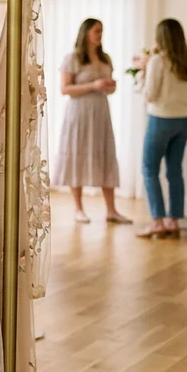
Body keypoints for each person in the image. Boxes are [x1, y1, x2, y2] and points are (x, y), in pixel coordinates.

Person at [51, 18, 130, 223]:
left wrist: (109, 86)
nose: (100, 34)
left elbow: (108, 88)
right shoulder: (73, 58)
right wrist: (94, 85)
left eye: (102, 31)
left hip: (101, 113)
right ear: (86, 33)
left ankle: (111, 210)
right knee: (77, 154)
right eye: (97, 31)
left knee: (106, 154)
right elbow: (65, 89)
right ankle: (78, 208)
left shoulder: (106, 58)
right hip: (79, 114)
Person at [133, 18, 187, 238]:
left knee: (149, 170)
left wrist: (141, 75)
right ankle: (173, 222)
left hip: (160, 120)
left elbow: (150, 94)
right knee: (174, 172)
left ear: (160, 38)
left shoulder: (158, 61)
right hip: (183, 121)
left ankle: (158, 223)